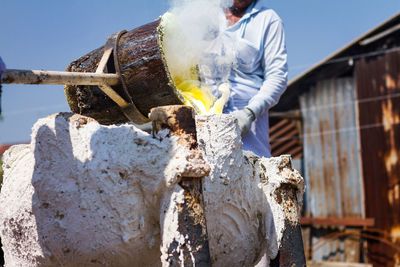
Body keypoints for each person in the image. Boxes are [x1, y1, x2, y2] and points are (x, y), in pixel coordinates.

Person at [223, 0, 288, 158]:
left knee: (250, 174)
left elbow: (277, 76)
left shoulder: (269, 19)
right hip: (201, 120)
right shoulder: (205, 16)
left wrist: (249, 113)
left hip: (247, 125)